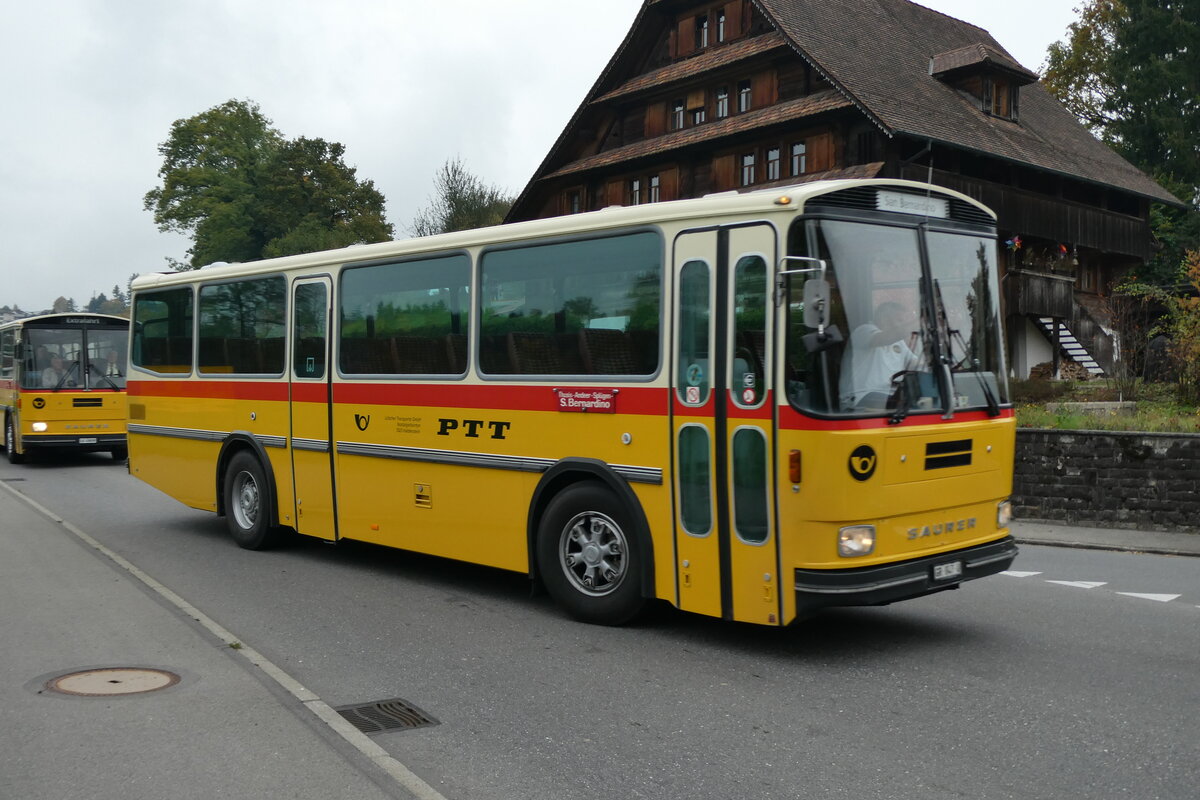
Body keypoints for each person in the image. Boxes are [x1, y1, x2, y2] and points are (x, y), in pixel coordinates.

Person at [840, 301, 918, 409]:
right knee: (904, 406)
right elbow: (884, 338)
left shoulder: (898, 342)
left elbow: (916, 364)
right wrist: (916, 324)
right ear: (884, 319)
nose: (903, 324)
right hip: (860, 397)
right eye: (900, 320)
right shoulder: (863, 331)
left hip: (890, 395)